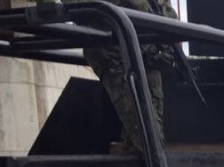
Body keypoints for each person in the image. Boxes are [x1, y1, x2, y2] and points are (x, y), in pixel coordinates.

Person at [60, 0, 179, 154]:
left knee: (150, 138)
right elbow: (79, 9)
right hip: (113, 52)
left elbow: (168, 14)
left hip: (148, 53)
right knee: (148, 138)